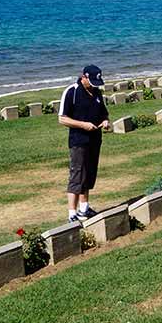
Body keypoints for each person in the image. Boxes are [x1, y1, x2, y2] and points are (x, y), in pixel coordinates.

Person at [57, 65, 111, 224]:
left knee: (89, 174)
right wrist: (83, 125)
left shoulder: (97, 92)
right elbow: (62, 118)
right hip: (79, 141)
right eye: (92, 82)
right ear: (83, 77)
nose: (94, 85)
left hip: (95, 140)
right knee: (77, 175)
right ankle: (72, 213)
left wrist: (105, 121)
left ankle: (84, 209)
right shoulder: (72, 92)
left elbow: (104, 113)